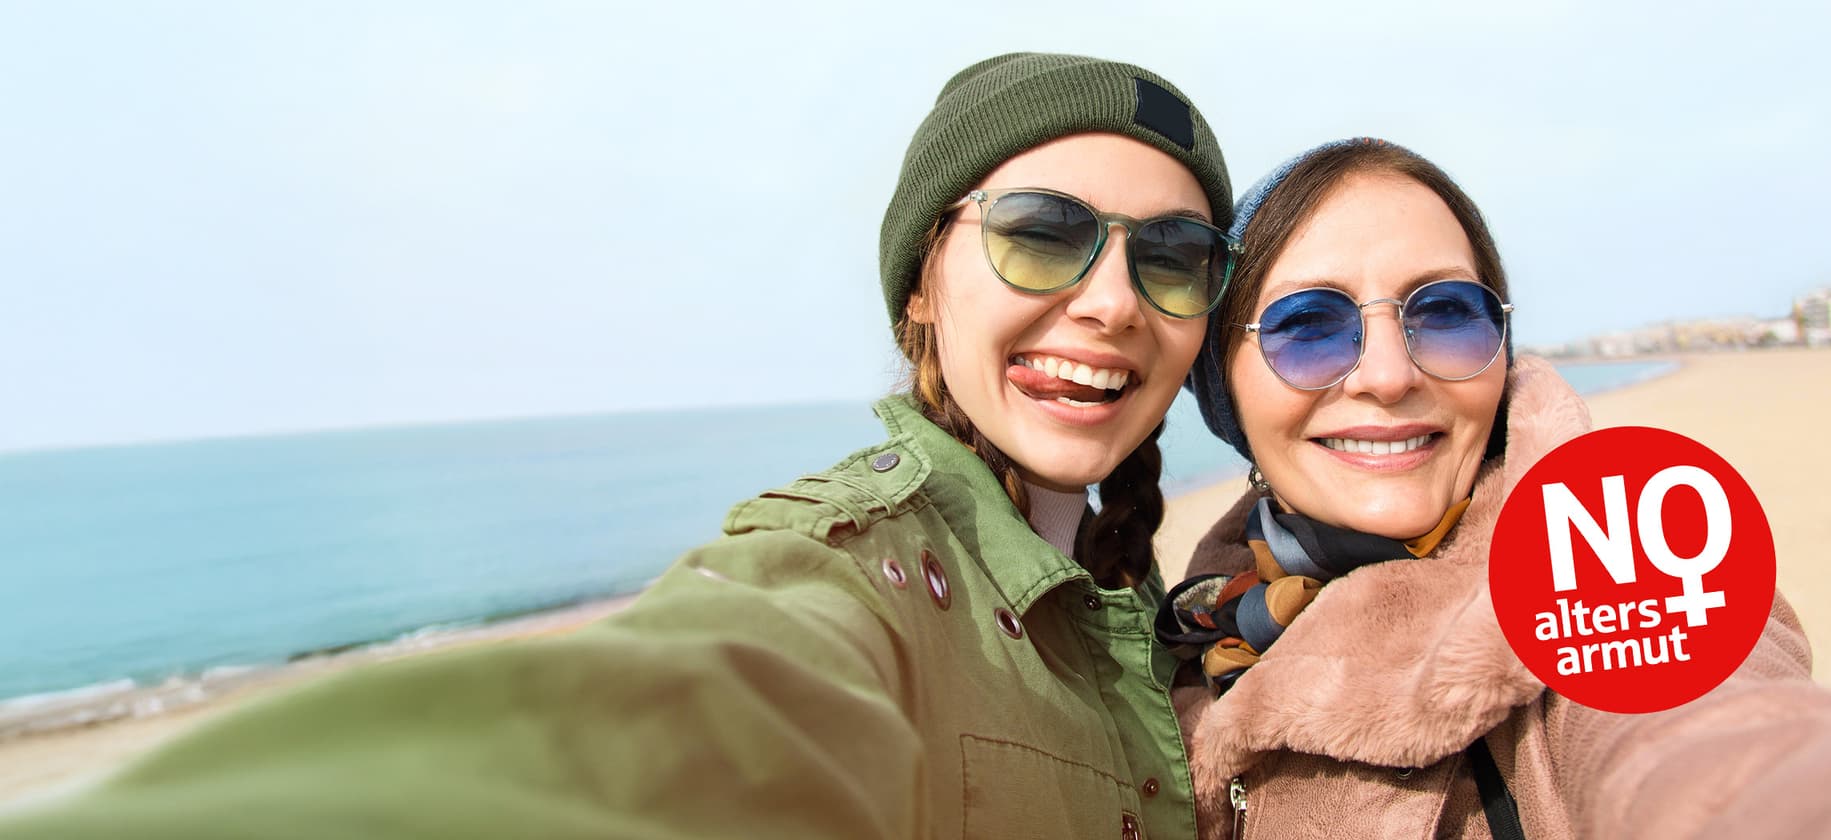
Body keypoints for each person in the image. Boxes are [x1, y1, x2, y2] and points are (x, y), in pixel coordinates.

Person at [0, 53, 1238, 839]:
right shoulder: (857, 568)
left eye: (1174, 258)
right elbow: (700, 713)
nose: (1114, 300)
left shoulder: (1141, 594)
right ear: (924, 284)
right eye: (1040, 233)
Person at [1163, 137, 1831, 839]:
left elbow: (1716, 738)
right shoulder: (1189, 635)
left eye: (1445, 312)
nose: (1390, 376)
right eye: (1310, 326)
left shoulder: (1611, 555)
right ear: (1224, 387)